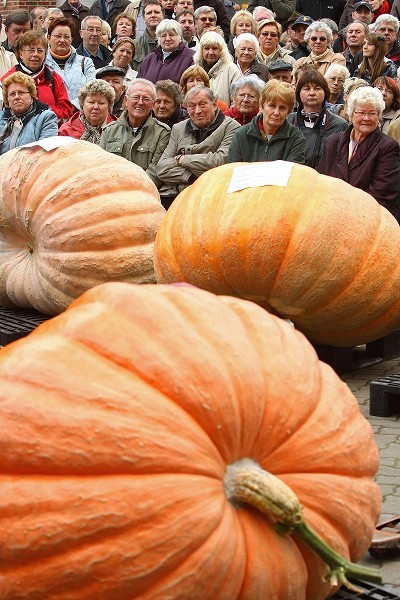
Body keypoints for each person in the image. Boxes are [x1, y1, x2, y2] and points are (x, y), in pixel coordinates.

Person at [318, 86, 400, 222]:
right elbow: (322, 181)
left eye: (372, 113)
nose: (366, 118)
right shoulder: (333, 141)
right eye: (361, 112)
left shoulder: (387, 147)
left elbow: (381, 195)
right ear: (351, 114)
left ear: (379, 116)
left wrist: (346, 215)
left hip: (368, 220)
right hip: (331, 216)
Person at [156, 84, 240, 207]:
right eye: (192, 106)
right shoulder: (178, 128)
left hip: (214, 195)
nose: (197, 111)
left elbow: (221, 161)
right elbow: (162, 168)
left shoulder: (231, 127)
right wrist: (192, 178)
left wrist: (183, 159)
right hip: (178, 195)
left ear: (215, 105)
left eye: (202, 104)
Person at [100, 78, 171, 185]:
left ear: (153, 104)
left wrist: (134, 190)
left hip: (144, 191)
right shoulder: (109, 130)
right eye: (136, 97)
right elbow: (102, 166)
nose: (140, 102)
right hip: (113, 189)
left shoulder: (162, 132)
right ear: (126, 101)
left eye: (146, 99)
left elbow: (155, 170)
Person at [1, 30, 73, 122]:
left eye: (39, 51)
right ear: (21, 54)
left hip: (50, 131)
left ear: (45, 55)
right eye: (31, 50)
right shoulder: (8, 80)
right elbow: (3, 112)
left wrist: (45, 109)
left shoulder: (54, 78)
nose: (35, 54)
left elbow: (67, 111)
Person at [228, 78, 306, 162]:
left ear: (289, 111)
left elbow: (294, 172)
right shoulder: (241, 135)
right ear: (261, 106)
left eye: (282, 108)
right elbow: (234, 169)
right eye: (272, 106)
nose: (276, 112)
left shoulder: (295, 138)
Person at [287, 68, 348, 167]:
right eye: (306, 88)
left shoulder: (339, 125)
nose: (312, 93)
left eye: (317, 88)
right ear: (298, 93)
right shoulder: (288, 121)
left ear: (325, 92)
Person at [0, 71, 58, 155]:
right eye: (12, 94)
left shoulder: (46, 118)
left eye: (21, 93)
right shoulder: (1, 117)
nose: (16, 97)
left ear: (32, 96)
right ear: (7, 99)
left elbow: (44, 154)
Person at [45, 17, 96, 105]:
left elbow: (91, 92)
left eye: (66, 37)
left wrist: (71, 107)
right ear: (49, 38)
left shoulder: (85, 63)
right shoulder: (41, 63)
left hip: (78, 114)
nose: (62, 40)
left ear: (71, 39)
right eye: (58, 36)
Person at [193, 30, 241, 105]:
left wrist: (226, 116)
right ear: (201, 50)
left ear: (221, 50)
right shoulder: (194, 69)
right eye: (206, 48)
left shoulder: (231, 69)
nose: (210, 52)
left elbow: (236, 101)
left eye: (214, 48)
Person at [131, 0, 165, 71]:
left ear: (163, 16)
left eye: (157, 12)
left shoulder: (173, 43)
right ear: (144, 17)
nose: (153, 15)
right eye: (149, 13)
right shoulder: (134, 46)